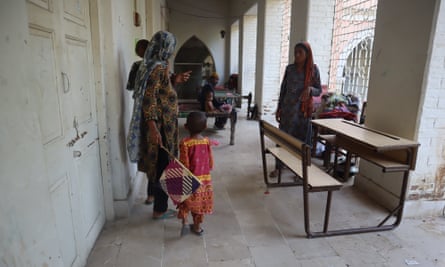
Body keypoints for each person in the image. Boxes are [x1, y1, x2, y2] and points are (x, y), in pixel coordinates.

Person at [126, 38, 191, 206]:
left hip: (162, 124)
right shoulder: (158, 67)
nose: (171, 51)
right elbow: (150, 99)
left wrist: (174, 80)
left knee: (158, 162)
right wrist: (153, 127)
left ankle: (160, 201)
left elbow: (159, 93)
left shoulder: (156, 66)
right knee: (164, 165)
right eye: (170, 47)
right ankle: (160, 208)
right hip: (161, 125)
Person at [271, 42, 322, 177]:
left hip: (303, 113)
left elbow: (319, 91)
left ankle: (300, 171)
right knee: (283, 138)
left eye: (300, 52)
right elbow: (283, 89)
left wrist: (310, 89)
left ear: (307, 54)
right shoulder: (290, 69)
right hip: (288, 111)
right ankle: (279, 167)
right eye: (295, 52)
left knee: (302, 142)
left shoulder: (313, 70)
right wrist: (279, 108)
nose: (297, 55)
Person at [177, 112, 214, 236]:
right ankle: (197, 228)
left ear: (186, 127)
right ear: (205, 127)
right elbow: (210, 162)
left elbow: (184, 164)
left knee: (185, 202)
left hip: (190, 179)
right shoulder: (207, 141)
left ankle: (185, 222)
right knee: (199, 204)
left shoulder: (185, 143)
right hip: (204, 181)